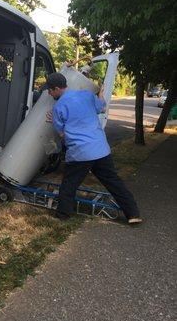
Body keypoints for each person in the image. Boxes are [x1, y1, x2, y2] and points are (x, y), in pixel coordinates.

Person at [45, 72, 142, 225]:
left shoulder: (58, 107)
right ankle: (133, 214)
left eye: (49, 90)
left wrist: (54, 121)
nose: (49, 93)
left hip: (80, 153)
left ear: (56, 89)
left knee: (69, 185)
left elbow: (62, 134)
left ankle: (63, 215)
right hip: (100, 149)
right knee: (113, 182)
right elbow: (102, 107)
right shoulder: (86, 95)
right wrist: (101, 94)